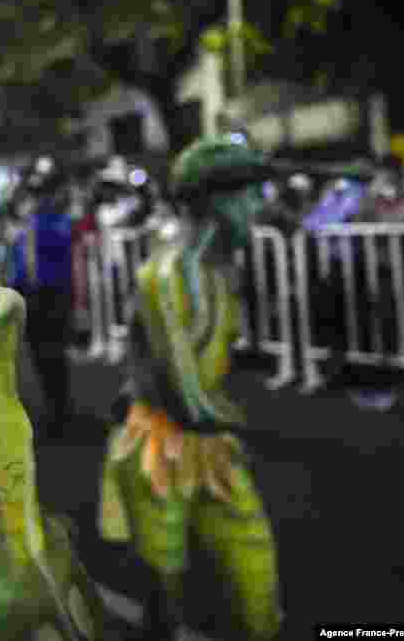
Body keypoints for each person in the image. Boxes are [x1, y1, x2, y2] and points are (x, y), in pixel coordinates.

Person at [100, 137, 283, 640]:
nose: (257, 207)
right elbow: (185, 394)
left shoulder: (217, 271)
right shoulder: (167, 273)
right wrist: (240, 425)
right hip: (159, 447)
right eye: (247, 196)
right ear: (216, 202)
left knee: (256, 584)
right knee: (165, 599)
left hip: (207, 446)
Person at [9, 174, 74, 438]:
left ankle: (59, 412)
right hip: (41, 295)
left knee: (50, 354)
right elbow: (23, 265)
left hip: (48, 295)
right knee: (44, 354)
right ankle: (56, 408)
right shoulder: (37, 226)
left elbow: (46, 264)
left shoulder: (49, 224)